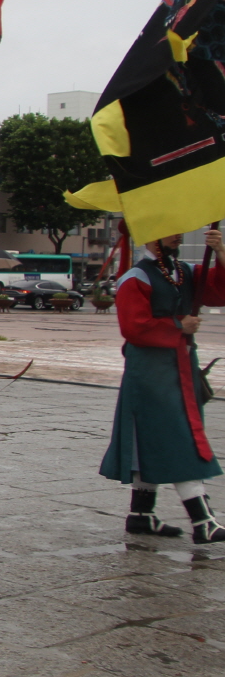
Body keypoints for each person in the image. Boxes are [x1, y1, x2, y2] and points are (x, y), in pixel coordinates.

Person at [101, 227, 225, 543]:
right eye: (169, 231)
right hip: (151, 372)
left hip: (179, 367)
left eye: (179, 231)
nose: (178, 236)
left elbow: (218, 291)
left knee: (150, 440)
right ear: (149, 236)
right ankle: (203, 520)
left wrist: (221, 253)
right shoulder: (135, 278)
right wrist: (177, 325)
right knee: (178, 439)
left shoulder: (182, 272)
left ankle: (141, 515)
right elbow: (133, 327)